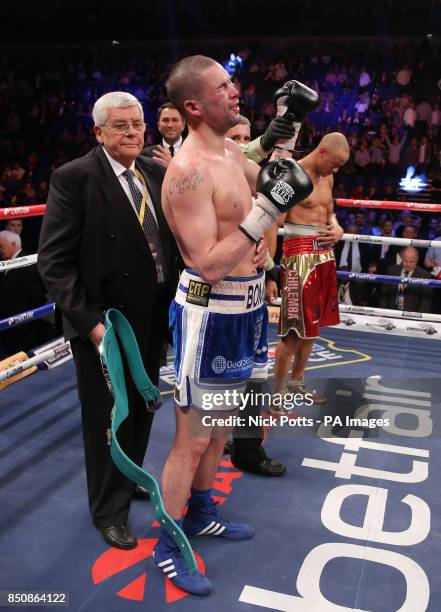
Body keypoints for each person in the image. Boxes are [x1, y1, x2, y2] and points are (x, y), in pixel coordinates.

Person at [154, 55, 314, 595]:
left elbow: (274, 181)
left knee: (223, 428)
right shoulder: (187, 172)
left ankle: (200, 513)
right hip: (209, 310)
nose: (236, 92)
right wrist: (269, 207)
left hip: (246, 308)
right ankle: (169, 542)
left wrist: (287, 129)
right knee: (192, 438)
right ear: (194, 105)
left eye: (233, 83)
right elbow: (209, 262)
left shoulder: (227, 151)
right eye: (224, 87)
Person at [37, 92, 180, 550]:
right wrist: (91, 325)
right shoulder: (75, 177)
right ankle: (108, 510)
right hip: (105, 324)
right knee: (107, 417)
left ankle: (131, 475)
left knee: (142, 406)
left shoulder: (156, 172)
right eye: (120, 126)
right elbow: (54, 263)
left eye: (137, 124)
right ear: (98, 132)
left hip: (155, 315)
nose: (133, 132)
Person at [224, 115, 288, 476]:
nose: (244, 145)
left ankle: (247, 444)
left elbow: (269, 234)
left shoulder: (257, 182)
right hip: (219, 293)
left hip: (252, 289)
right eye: (236, 138)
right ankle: (231, 440)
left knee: (255, 373)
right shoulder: (215, 182)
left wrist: (269, 274)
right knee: (224, 376)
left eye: (247, 138)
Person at [268, 133, 349, 407]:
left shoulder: (328, 177)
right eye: (334, 163)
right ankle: (277, 394)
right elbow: (271, 223)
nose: (335, 170)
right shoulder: (291, 177)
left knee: (313, 329)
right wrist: (269, 271)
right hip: (297, 258)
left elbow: (329, 209)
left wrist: (337, 227)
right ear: (322, 152)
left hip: (325, 256)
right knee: (291, 333)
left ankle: (296, 383)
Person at [0, 230, 54, 358]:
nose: (0, 250)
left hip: (25, 328)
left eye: (1, 246)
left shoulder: (26, 264)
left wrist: (24, 317)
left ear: (13, 244)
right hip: (11, 327)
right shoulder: (7, 264)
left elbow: (37, 296)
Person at [379, 246, 432, 312]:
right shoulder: (392, 270)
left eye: (411, 261)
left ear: (417, 260)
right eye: (405, 261)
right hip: (391, 312)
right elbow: (384, 294)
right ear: (402, 258)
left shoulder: (424, 275)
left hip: (412, 315)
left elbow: (425, 300)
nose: (408, 264)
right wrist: (383, 312)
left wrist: (419, 318)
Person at [142, 102, 186, 167]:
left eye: (175, 120)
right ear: (158, 125)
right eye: (165, 120)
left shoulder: (196, 153)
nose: (170, 125)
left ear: (183, 125)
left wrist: (171, 166)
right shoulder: (145, 155)